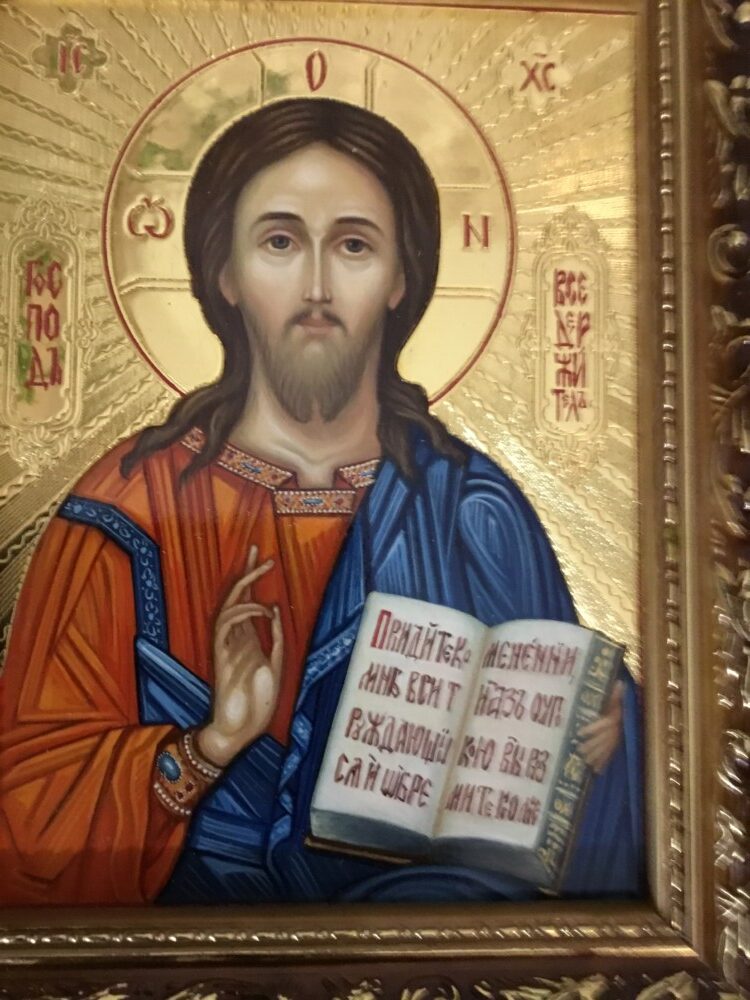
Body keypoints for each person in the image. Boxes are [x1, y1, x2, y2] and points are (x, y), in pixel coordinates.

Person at [0, 97, 643, 905]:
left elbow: (573, 824)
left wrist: (607, 739)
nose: (315, 287)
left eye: (353, 245)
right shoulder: (128, 508)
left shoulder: (472, 511)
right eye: (279, 242)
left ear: (402, 277)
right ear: (225, 273)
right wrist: (214, 743)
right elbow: (28, 821)